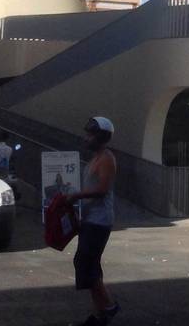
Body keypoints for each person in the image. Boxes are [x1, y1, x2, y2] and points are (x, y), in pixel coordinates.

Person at [66, 116, 119, 326]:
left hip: (100, 221)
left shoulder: (107, 158)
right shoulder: (95, 158)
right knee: (90, 265)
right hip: (90, 219)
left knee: (85, 263)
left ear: (101, 137)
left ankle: (108, 307)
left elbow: (102, 190)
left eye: (90, 134)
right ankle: (100, 314)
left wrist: (76, 196)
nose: (86, 138)